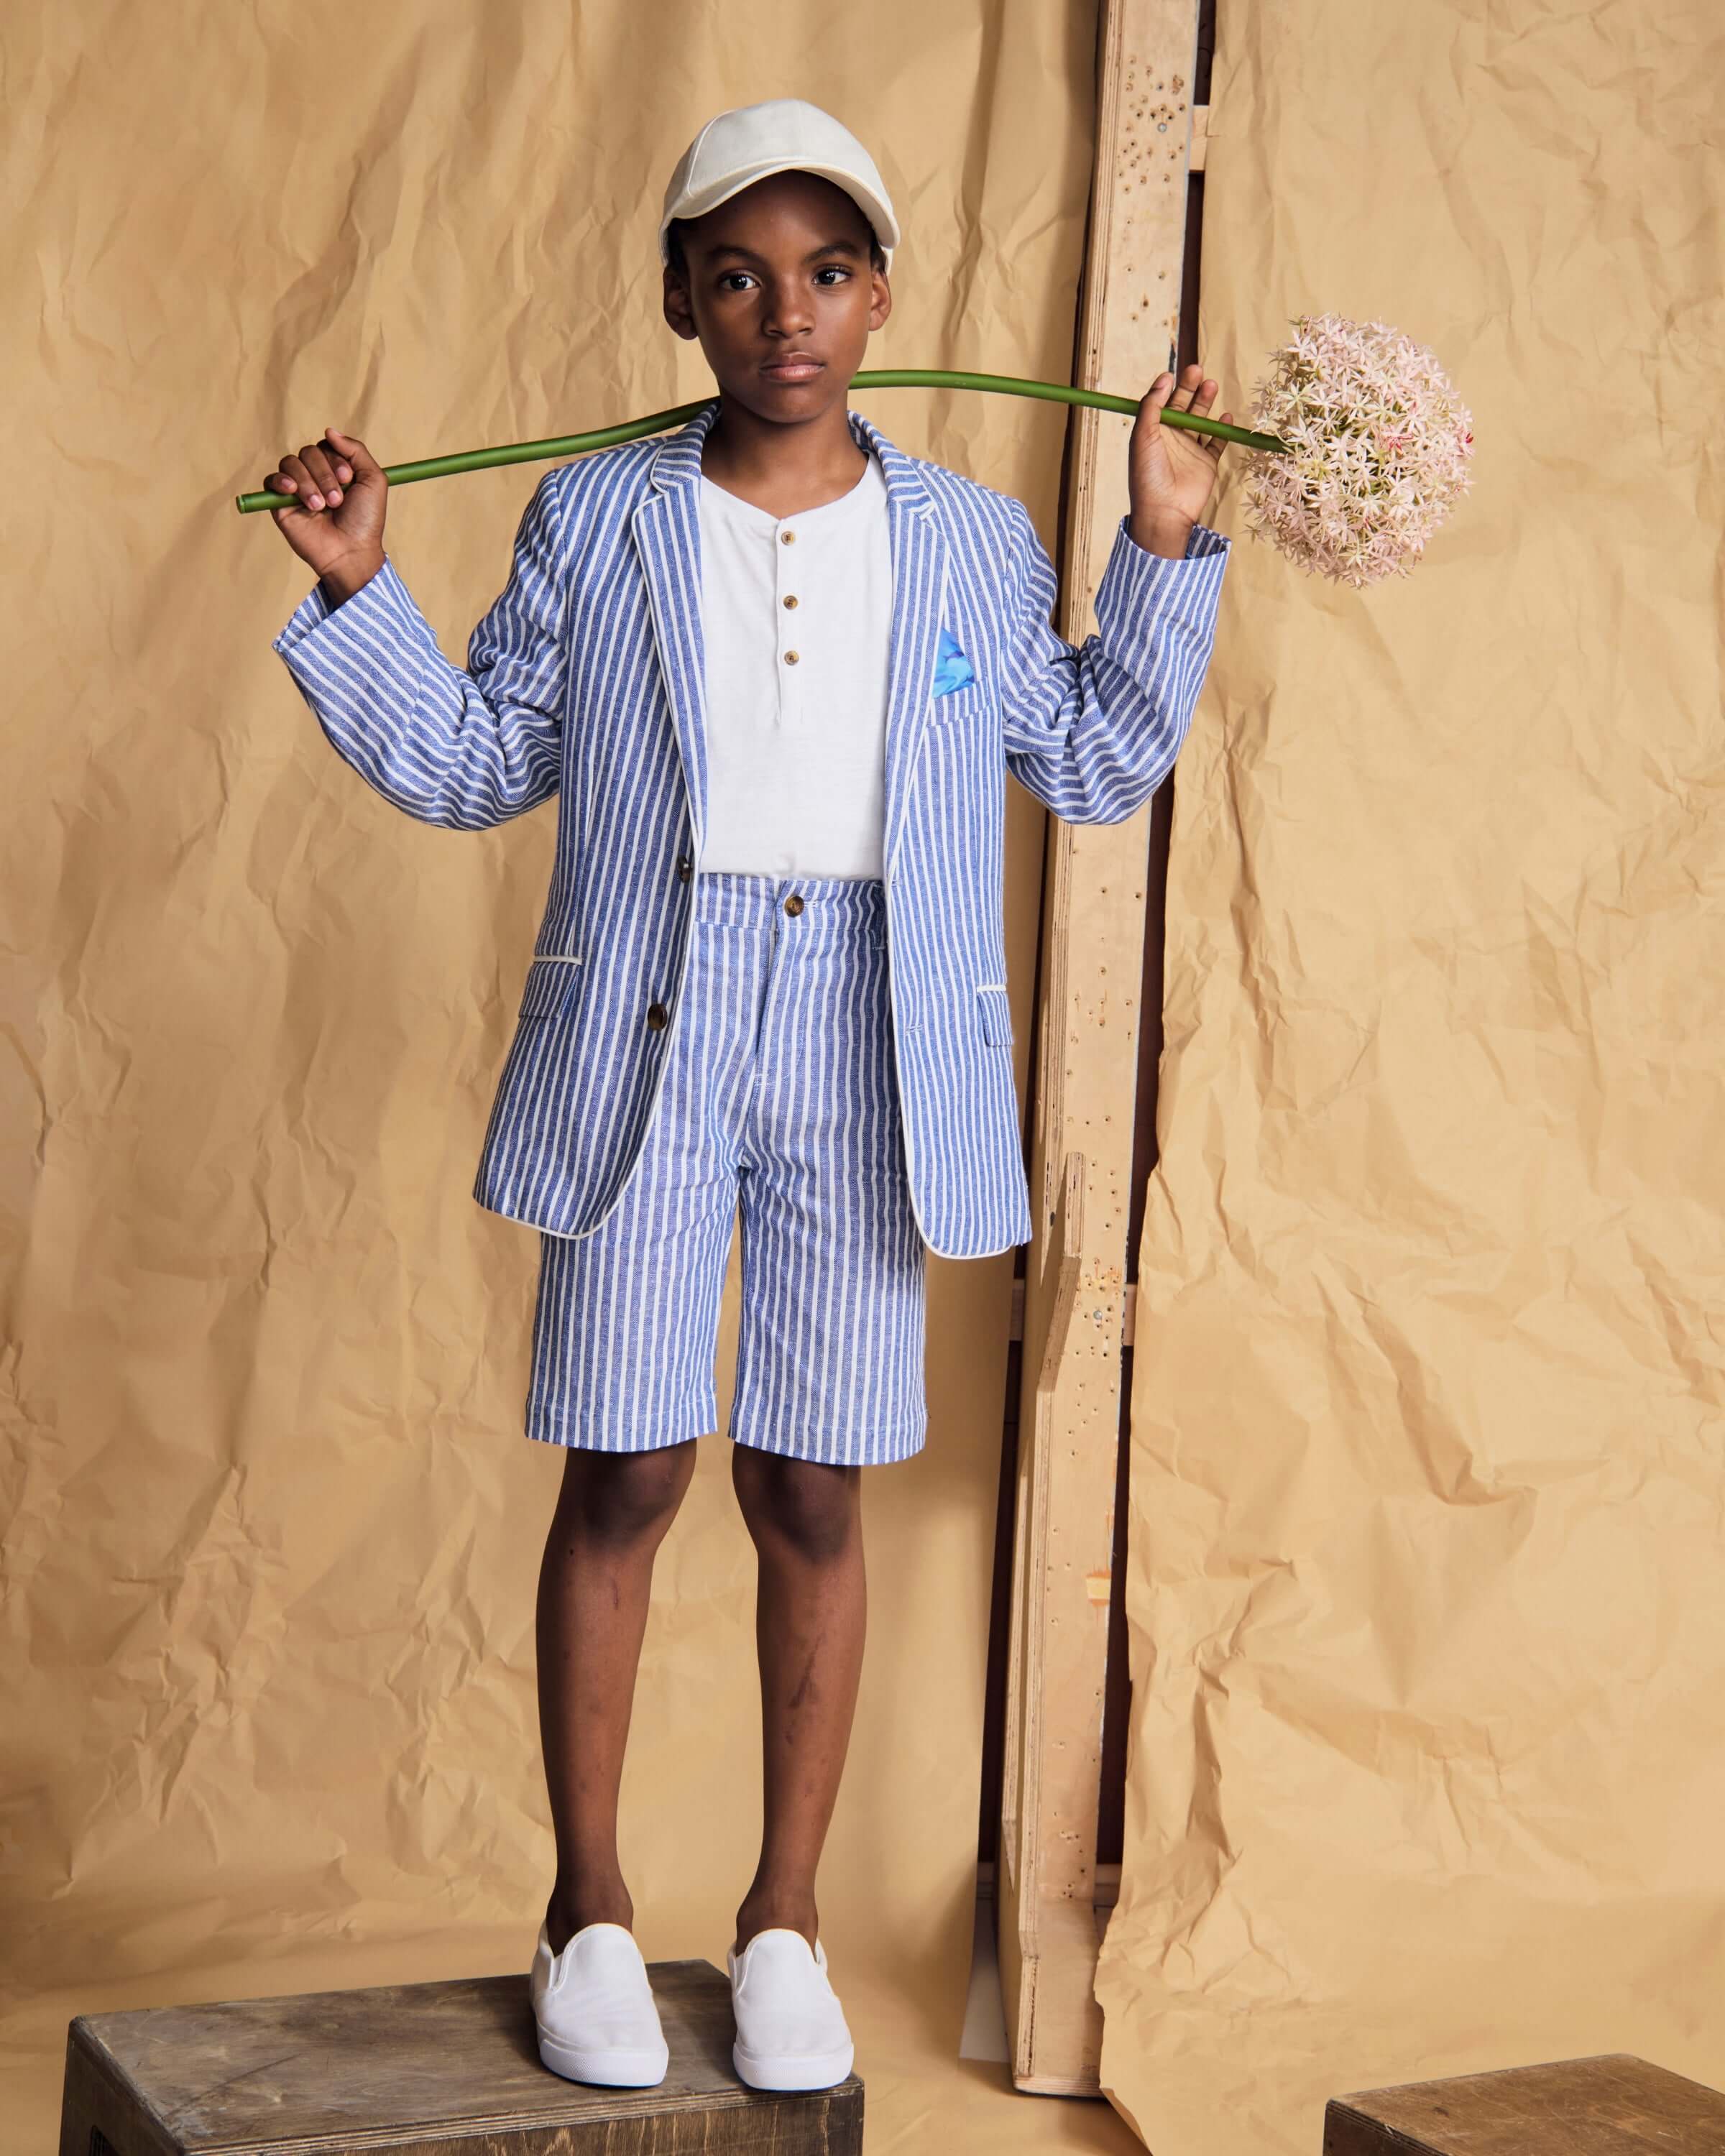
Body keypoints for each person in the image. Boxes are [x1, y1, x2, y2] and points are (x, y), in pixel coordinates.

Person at [263, 95, 1231, 2097]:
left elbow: (1095, 758)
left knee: (815, 1482)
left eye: (829, 270)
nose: (788, 312)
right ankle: (588, 1907)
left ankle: (784, 1917)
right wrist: (359, 588)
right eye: (739, 275)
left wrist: (1161, 546)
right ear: (684, 304)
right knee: (625, 1465)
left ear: (883, 296)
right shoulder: (600, 519)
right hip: (653, 1021)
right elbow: (468, 762)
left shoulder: (968, 536)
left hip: (870, 1041)